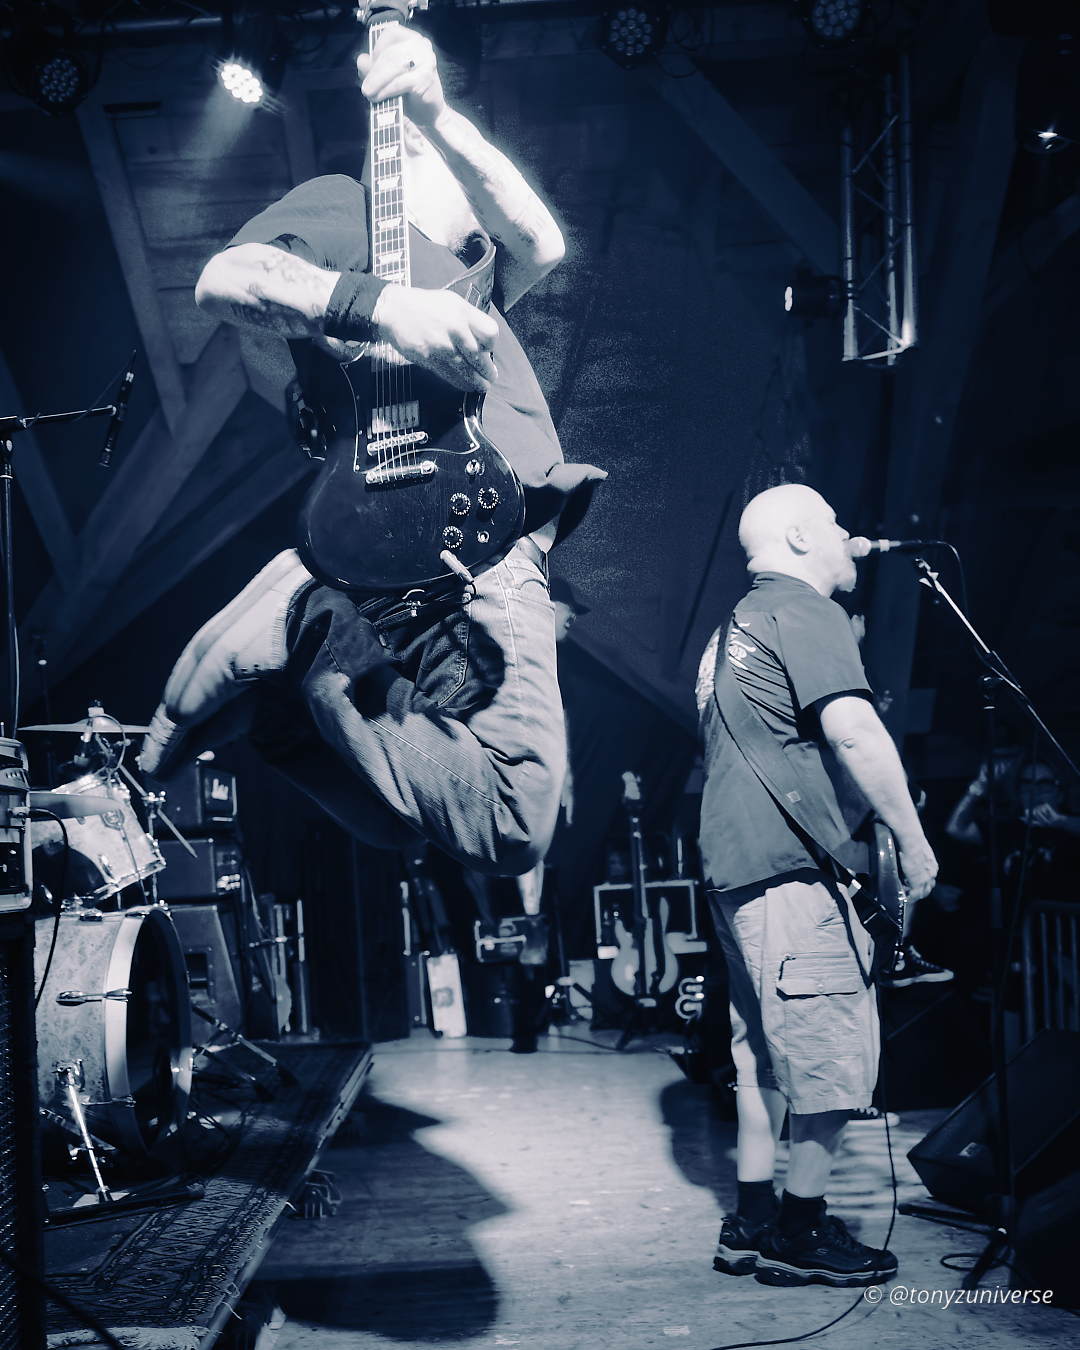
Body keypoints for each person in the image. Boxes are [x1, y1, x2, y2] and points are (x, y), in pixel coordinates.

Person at [140, 21, 604, 877]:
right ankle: (310, 620)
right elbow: (223, 280)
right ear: (411, 163)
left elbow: (544, 240)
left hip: (459, 545)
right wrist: (385, 306)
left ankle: (291, 686)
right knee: (509, 821)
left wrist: (437, 109)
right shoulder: (347, 210)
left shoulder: (471, 275)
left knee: (401, 825)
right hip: (461, 543)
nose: (486, 183)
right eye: (461, 162)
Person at [695, 483, 937, 1288]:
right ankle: (799, 1230)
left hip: (735, 868)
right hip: (791, 871)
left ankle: (752, 1218)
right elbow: (855, 732)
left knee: (764, 1053)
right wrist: (913, 841)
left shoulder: (728, 633)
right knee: (828, 1048)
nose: (849, 537)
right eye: (835, 524)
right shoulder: (804, 610)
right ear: (800, 536)